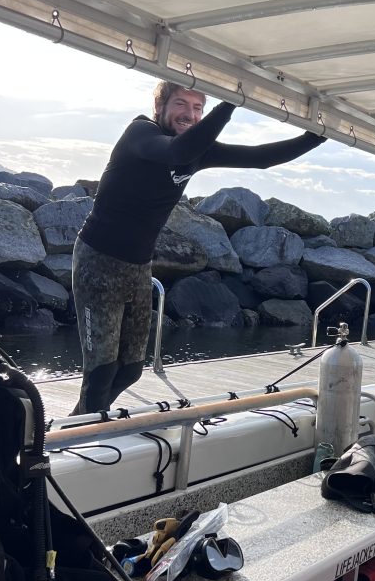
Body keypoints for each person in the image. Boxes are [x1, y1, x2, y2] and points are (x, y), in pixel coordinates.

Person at [70, 83, 325, 415]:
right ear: (159, 106)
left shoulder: (198, 149)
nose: (190, 114)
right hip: (97, 261)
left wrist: (316, 137)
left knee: (130, 370)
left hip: (138, 267)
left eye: (197, 108)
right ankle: (86, 439)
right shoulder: (140, 133)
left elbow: (261, 158)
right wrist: (231, 104)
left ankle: (80, 423)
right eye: (181, 104)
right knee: (101, 371)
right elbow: (174, 153)